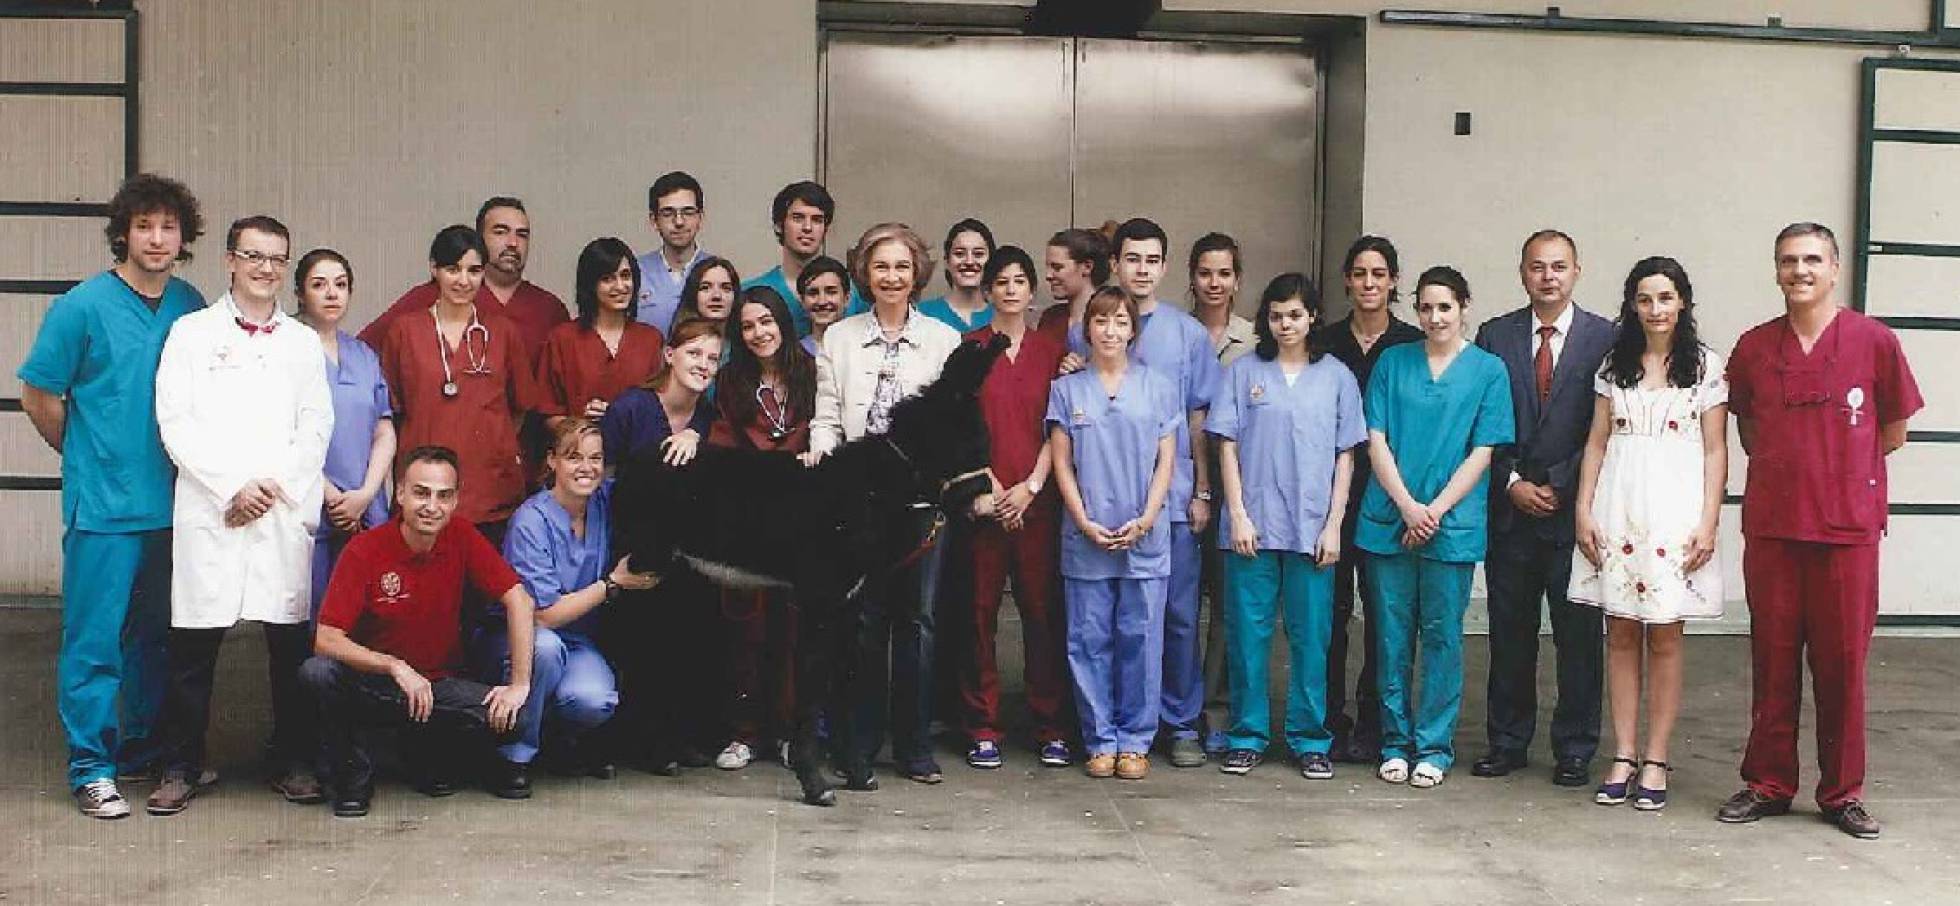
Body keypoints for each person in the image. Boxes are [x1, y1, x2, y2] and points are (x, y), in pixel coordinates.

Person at [1716, 222, 1922, 840]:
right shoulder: (1754, 348)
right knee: (1771, 660)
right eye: (1787, 261)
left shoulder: (1874, 342)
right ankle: (1768, 783)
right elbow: (1750, 430)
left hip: (1846, 533)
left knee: (1843, 665)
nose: (1799, 271)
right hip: (1776, 529)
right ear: (1775, 271)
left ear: (1834, 269)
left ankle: (1842, 793)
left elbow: (1892, 432)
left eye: (1812, 260)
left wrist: (1838, 476)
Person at [19, 173, 207, 819]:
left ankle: (142, 749)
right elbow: (39, 394)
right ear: (122, 232)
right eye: (144, 226)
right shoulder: (81, 307)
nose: (157, 238)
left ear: (184, 237)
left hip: (173, 507)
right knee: (94, 641)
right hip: (102, 508)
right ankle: (91, 767)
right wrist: (81, 455)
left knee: (155, 639)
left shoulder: (189, 303)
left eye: (169, 227)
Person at [147, 215, 334, 816]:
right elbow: (175, 421)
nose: (265, 268)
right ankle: (181, 764)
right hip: (214, 508)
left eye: (277, 259)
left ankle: (291, 758)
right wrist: (233, 487)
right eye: (253, 256)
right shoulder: (191, 333)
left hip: (279, 510)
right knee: (194, 649)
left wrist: (273, 487)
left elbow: (316, 425)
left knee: (287, 649)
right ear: (229, 260)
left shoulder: (302, 342)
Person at [1570, 256, 1729, 811]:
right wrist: (1583, 511)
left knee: (1664, 633)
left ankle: (1657, 758)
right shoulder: (1615, 365)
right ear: (1631, 305)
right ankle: (1623, 752)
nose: (1655, 309)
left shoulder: (1706, 366)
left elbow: (1715, 448)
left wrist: (1709, 521)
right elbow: (1595, 442)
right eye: (1644, 299)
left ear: (1682, 301)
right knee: (1618, 632)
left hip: (1676, 513)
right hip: (1617, 508)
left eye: (1665, 297)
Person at [301, 446, 537, 817]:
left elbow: (519, 600)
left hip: (437, 686)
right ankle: (353, 776)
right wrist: (394, 666)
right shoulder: (366, 548)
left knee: (515, 719)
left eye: (444, 496)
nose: (432, 506)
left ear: (456, 500)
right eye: (421, 492)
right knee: (318, 673)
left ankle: (423, 754)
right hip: (374, 685)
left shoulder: (461, 536)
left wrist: (520, 684)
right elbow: (326, 638)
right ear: (400, 494)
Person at [808, 222, 964, 784]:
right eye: (881, 267)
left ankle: (916, 747)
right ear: (864, 275)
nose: (892, 277)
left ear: (916, 272)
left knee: (917, 622)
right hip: (858, 503)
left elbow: (951, 427)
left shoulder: (945, 341)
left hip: (920, 505)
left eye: (901, 267)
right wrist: (823, 463)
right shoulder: (839, 339)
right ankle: (862, 741)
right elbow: (826, 416)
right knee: (864, 623)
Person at [1356, 266, 1513, 790]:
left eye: (1445, 306)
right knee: (1391, 636)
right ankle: (1395, 743)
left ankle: (1434, 746)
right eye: (1425, 307)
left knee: (1444, 637)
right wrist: (1406, 506)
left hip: (1452, 524)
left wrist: (1434, 512)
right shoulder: (1392, 362)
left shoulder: (1488, 371)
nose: (1435, 317)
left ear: (1463, 307)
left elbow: (1484, 450)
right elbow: (1374, 438)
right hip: (1389, 518)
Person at [1471, 229, 1615, 788]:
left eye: (1558, 266)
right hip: (1511, 511)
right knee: (1510, 633)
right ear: (1522, 272)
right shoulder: (1495, 336)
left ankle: (1576, 747)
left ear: (1577, 271)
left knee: (1579, 637)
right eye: (1537, 267)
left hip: (1575, 511)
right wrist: (1509, 481)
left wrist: (1559, 482)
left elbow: (1608, 426)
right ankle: (1507, 741)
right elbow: (1481, 415)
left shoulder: (1607, 337)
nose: (1548, 276)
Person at [1209, 272, 1365, 780]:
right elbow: (1226, 445)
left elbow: (1346, 454)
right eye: (1276, 315)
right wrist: (1236, 514)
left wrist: (1334, 525)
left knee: (1311, 636)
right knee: (1247, 636)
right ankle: (1248, 734)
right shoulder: (1243, 373)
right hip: (1253, 527)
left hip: (1312, 527)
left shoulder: (1337, 376)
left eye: (1295, 314)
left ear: (1313, 316)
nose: (1285, 324)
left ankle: (1309, 738)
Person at [1095, 218, 1221, 769]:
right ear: (1115, 264)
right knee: (1115, 619)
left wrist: (1203, 492)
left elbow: (1199, 416)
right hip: (1106, 499)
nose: (1141, 270)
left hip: (1171, 500)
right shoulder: (1094, 324)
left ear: (1164, 268)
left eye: (1151, 261)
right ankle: (1115, 724)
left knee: (1176, 615)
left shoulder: (1187, 335)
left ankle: (1180, 722)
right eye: (1131, 259)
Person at [1048, 286, 1179, 781]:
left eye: (1120, 321)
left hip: (1144, 532)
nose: (1109, 331)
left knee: (1141, 639)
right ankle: (1100, 738)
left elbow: (1167, 460)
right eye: (1100, 321)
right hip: (1087, 533)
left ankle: (1135, 741)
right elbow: (1062, 461)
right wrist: (1082, 519)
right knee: (1088, 639)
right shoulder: (1068, 389)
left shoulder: (1158, 386)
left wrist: (1147, 517)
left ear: (1132, 330)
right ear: (1087, 329)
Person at [957, 246, 1072, 770]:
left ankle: (1049, 724)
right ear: (987, 291)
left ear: (1032, 291)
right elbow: (960, 428)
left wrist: (1030, 485)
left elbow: (1060, 427)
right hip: (985, 503)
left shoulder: (1054, 351)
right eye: (999, 281)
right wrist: (990, 488)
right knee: (977, 615)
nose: (1009, 289)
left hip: (1038, 501)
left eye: (1019, 280)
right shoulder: (970, 347)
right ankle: (982, 725)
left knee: (1041, 613)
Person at [1311, 235, 1424, 764]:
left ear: (1394, 280)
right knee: (1329, 615)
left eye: (1379, 273)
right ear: (1347, 280)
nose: (1369, 283)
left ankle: (1378, 723)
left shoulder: (1412, 344)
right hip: (1332, 500)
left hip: (1388, 500)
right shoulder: (1323, 341)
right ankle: (1328, 720)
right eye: (1359, 273)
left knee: (1386, 619)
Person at [494, 418, 658, 779]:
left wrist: (688, 436)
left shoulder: (604, 502)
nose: (587, 468)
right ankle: (514, 755)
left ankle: (556, 741)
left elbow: (649, 482)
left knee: (594, 701)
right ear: (552, 461)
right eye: (574, 457)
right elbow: (544, 616)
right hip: (519, 640)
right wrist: (613, 583)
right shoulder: (531, 521)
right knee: (547, 649)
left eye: (595, 458)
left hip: (578, 641)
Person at [599, 318, 724, 771]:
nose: (703, 365)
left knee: (684, 645)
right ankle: (633, 742)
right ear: (669, 354)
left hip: (687, 552)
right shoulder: (632, 408)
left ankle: (674, 741)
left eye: (712, 358)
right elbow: (602, 479)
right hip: (630, 545)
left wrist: (696, 436)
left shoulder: (710, 419)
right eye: (694, 354)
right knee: (636, 645)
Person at [705, 286, 816, 769]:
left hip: (801, 519)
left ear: (783, 324)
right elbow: (724, 447)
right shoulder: (730, 381)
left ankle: (790, 733)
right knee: (744, 628)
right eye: (748, 326)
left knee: (794, 628)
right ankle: (744, 733)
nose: (758, 333)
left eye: (766, 322)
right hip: (748, 519)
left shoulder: (810, 372)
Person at [377, 225, 540, 544]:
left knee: (483, 588)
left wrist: (492, 442)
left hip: (488, 491)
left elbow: (520, 408)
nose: (464, 281)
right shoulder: (405, 331)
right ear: (434, 269)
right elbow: (392, 410)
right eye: (453, 269)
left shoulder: (502, 332)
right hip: (425, 492)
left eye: (474, 270)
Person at [1186, 232, 1257, 755]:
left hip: (1238, 488)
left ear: (1237, 279)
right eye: (1206, 272)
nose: (1215, 282)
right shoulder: (1164, 332)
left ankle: (1219, 713)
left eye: (1224, 273)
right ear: (1191, 276)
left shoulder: (1258, 341)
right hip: (1174, 490)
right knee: (1178, 607)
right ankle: (1176, 711)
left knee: (1229, 609)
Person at [294, 250, 397, 612]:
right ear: (300, 293)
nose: (332, 294)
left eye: (340, 284)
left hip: (366, 504)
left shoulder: (363, 354)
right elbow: (279, 434)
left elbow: (384, 427)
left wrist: (366, 493)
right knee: (314, 617)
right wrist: (333, 497)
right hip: (311, 502)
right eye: (319, 285)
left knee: (370, 614)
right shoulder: (286, 349)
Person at [358, 197, 568, 368]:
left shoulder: (549, 309)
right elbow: (363, 350)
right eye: (500, 232)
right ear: (479, 238)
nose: (513, 243)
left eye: (522, 235)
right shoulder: (434, 295)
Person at [536, 237, 666, 432]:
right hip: (581, 456)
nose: (620, 286)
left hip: (636, 457)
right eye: (607, 279)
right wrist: (579, 422)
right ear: (590, 284)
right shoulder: (563, 339)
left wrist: (621, 417)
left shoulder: (650, 339)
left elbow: (665, 410)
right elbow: (547, 412)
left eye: (625, 275)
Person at [744, 181, 865, 338]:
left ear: (825, 229)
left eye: (817, 220)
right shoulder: (751, 292)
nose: (807, 227)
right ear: (779, 225)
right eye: (798, 218)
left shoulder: (852, 292)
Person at [634, 171, 713, 330]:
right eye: (668, 213)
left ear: (700, 218)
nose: (679, 222)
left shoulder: (717, 272)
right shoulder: (634, 272)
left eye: (688, 212)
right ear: (654, 220)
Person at [917, 218, 996, 333]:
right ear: (947, 261)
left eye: (978, 254)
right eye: (959, 254)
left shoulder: (1002, 316)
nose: (969, 261)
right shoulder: (921, 314)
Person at [1037, 227, 1109, 342]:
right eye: (1048, 267)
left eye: (1057, 267)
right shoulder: (1050, 319)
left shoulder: (1112, 319)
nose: (1048, 275)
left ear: (1087, 267)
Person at [796, 255, 852, 356]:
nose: (822, 301)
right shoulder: (794, 356)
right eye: (813, 293)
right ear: (802, 301)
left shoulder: (861, 350)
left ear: (846, 299)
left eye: (831, 292)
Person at [669, 256, 741, 334]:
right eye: (705, 287)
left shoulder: (748, 342)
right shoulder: (680, 344)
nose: (716, 296)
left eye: (726, 288)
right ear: (693, 295)